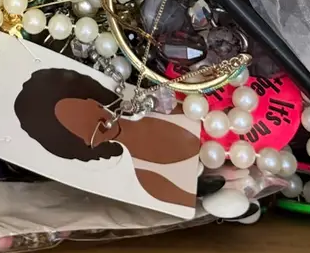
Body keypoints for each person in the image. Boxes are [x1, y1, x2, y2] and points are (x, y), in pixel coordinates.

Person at [13, 67, 199, 209]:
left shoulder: (162, 101)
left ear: (92, 100)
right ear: (80, 144)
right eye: (78, 129)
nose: (99, 124)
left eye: (82, 113)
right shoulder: (151, 183)